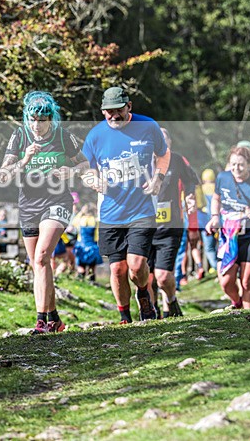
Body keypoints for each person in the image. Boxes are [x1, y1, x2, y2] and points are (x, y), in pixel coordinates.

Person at [0, 91, 87, 334]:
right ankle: (55, 318)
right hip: (28, 205)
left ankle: (41, 321)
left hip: (57, 202)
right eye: (32, 119)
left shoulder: (63, 136)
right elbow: (3, 175)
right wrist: (24, 160)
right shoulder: (19, 136)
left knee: (42, 256)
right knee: (39, 265)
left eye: (42, 120)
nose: (36, 125)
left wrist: (72, 172)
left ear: (51, 119)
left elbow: (85, 163)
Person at [81, 86, 169, 323]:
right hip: (110, 213)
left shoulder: (148, 126)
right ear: (103, 111)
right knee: (117, 270)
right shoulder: (95, 136)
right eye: (108, 111)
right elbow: (85, 168)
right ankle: (124, 316)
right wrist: (93, 180)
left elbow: (163, 154)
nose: (114, 116)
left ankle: (143, 293)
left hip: (142, 209)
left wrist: (158, 178)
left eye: (118, 110)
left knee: (136, 265)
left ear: (129, 106)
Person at [206, 146, 250, 309]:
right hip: (229, 235)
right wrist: (215, 217)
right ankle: (237, 303)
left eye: (240, 165)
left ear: (249, 165)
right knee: (226, 282)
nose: (236, 168)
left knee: (247, 281)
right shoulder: (222, 178)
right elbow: (216, 199)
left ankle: (248, 316)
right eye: (233, 164)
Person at [147, 128, 198, 318]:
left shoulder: (176, 160)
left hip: (170, 225)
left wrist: (190, 196)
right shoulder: (140, 162)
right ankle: (152, 313)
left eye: (164, 140)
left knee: (162, 276)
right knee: (146, 277)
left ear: (169, 143)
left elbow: (190, 180)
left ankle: (170, 301)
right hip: (144, 227)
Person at [196, 169, 219, 277]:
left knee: (209, 248)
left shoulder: (201, 189)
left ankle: (217, 267)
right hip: (219, 221)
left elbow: (199, 206)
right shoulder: (218, 188)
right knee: (219, 244)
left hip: (206, 223)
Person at [72, 203, 102, 282]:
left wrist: (81, 213)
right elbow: (98, 235)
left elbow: (73, 222)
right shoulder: (95, 221)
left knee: (81, 266)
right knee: (92, 267)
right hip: (92, 246)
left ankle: (80, 282)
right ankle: (91, 282)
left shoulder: (80, 219)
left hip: (81, 246)